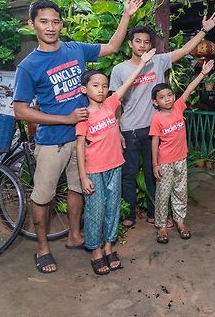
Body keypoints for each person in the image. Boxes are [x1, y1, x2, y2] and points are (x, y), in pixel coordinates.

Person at [13, 0, 143, 274]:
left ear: (62, 24)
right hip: (53, 142)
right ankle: (43, 248)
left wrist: (126, 15)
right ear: (32, 24)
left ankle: (74, 235)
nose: (50, 27)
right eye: (43, 21)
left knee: (77, 188)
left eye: (55, 21)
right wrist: (65, 118)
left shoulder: (75, 49)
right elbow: (21, 111)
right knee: (43, 196)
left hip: (86, 140)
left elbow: (112, 46)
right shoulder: (29, 65)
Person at [109, 12, 215, 229]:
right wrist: (116, 129)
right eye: (138, 41)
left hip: (155, 130)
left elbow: (186, 50)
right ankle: (129, 213)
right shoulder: (119, 70)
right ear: (130, 44)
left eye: (147, 42)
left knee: (154, 173)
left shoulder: (159, 61)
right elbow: (116, 103)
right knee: (129, 174)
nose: (142, 45)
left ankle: (154, 214)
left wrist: (204, 30)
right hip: (129, 130)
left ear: (151, 44)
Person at [76, 48, 156, 275]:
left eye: (104, 85)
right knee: (95, 210)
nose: (101, 90)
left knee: (112, 208)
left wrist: (142, 63)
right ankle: (95, 251)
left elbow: (127, 84)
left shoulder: (111, 104)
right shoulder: (83, 114)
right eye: (95, 86)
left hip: (115, 166)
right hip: (93, 170)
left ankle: (109, 246)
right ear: (84, 89)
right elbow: (80, 146)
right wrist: (82, 177)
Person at [150, 60, 214, 243]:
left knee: (180, 191)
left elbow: (188, 90)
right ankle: (162, 226)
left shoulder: (178, 107)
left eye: (169, 95)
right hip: (164, 162)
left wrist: (203, 74)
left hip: (181, 159)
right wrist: (155, 163)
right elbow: (154, 141)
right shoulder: (157, 119)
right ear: (155, 102)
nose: (167, 99)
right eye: (162, 97)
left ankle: (180, 221)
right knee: (163, 194)